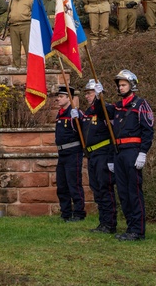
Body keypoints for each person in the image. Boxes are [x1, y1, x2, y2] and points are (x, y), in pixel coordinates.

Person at [110, 69, 154, 241]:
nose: (120, 88)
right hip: (119, 153)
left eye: (123, 84)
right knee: (123, 192)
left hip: (132, 152)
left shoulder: (141, 104)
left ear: (132, 85)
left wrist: (143, 152)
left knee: (134, 191)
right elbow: (102, 112)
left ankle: (138, 230)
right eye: (119, 85)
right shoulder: (118, 106)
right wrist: (98, 96)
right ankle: (130, 227)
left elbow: (148, 130)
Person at [80, 79, 116, 234]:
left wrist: (100, 98)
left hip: (103, 153)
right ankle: (103, 222)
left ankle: (110, 224)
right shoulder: (88, 112)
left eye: (90, 93)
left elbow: (102, 112)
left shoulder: (106, 109)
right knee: (96, 190)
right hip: (92, 155)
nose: (87, 96)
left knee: (105, 189)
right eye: (86, 94)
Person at [53, 85, 85, 222]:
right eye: (58, 97)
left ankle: (79, 213)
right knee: (62, 185)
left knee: (74, 184)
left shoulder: (75, 114)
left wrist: (78, 119)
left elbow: (83, 130)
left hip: (73, 153)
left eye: (61, 96)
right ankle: (65, 213)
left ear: (69, 98)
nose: (58, 99)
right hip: (62, 153)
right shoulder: (60, 114)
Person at [5, 0, 33, 66]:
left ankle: (31, 66)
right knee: (15, 48)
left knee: (28, 47)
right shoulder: (12, 0)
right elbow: (9, 13)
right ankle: (16, 66)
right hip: (13, 26)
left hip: (26, 25)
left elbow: (35, 12)